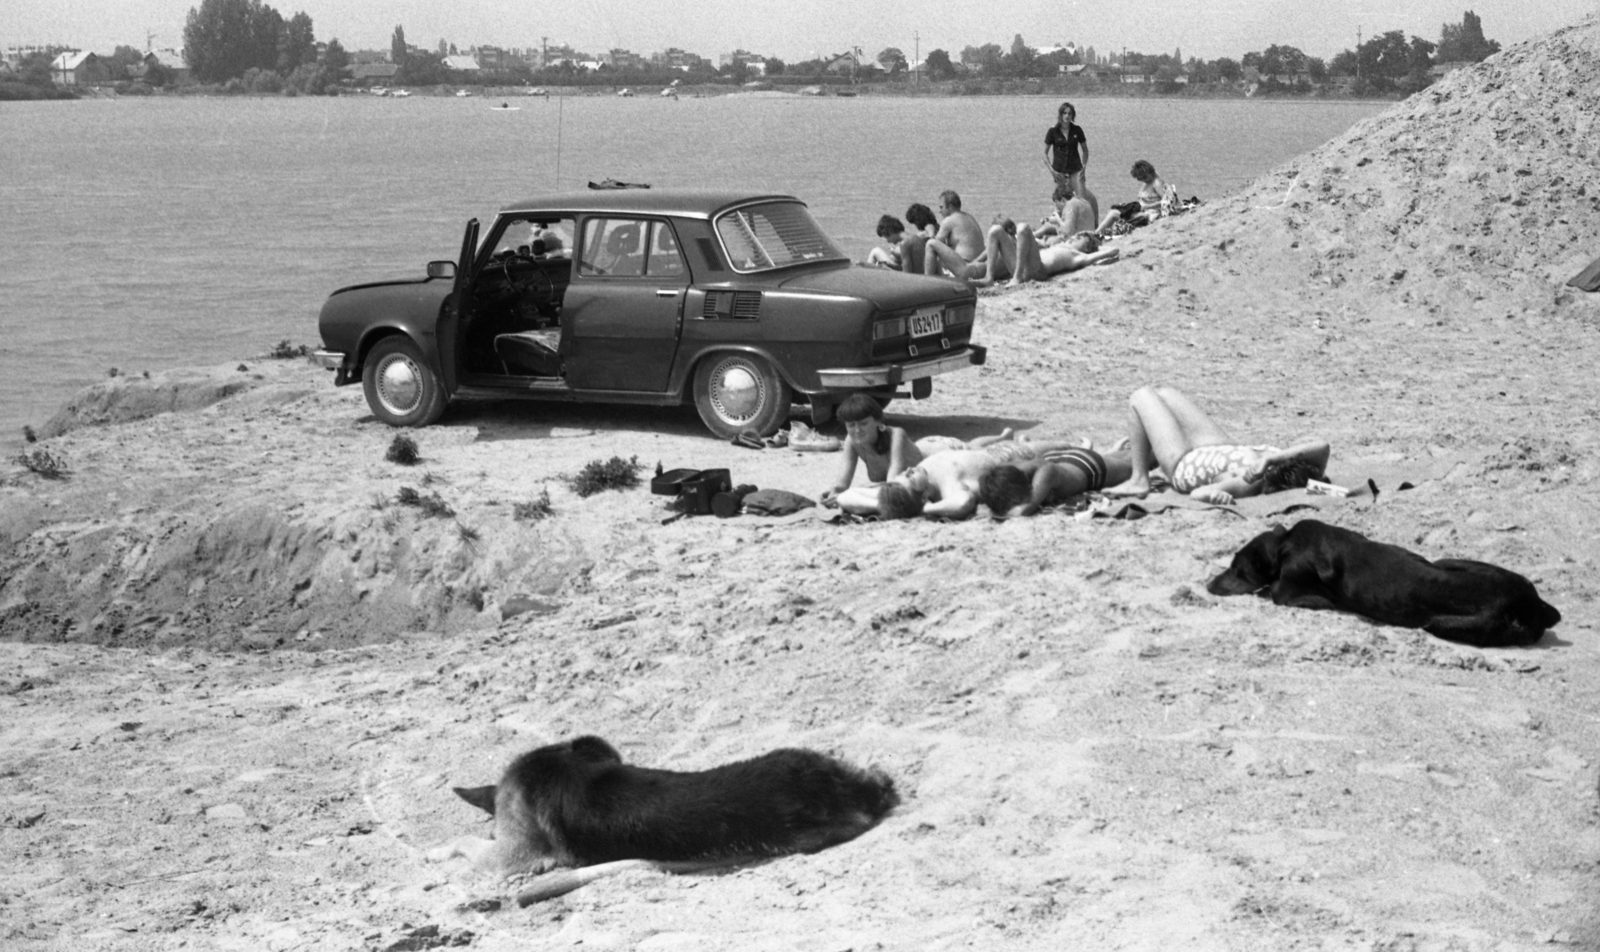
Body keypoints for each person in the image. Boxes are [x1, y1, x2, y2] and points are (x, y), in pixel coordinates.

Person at [1103, 385, 1331, 505]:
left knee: (1141, 396)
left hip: (1184, 465)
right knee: (1166, 394)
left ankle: (1139, 480)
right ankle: (1143, 465)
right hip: (1218, 447)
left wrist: (1213, 497)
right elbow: (1322, 446)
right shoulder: (1294, 468)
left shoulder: (1250, 482)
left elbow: (1200, 493)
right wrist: (1270, 459)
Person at [835, 437, 1095, 520]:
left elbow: (846, 496)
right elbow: (963, 503)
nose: (908, 471)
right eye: (909, 478)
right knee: (1062, 449)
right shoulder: (950, 489)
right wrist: (926, 509)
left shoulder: (905, 488)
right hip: (1006, 459)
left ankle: (1079, 445)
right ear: (924, 496)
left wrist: (880, 501)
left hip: (983, 451)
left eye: (906, 474)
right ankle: (1085, 447)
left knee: (1046, 445)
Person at [819, 394, 1012, 506]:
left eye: (863, 423)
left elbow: (893, 483)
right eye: (851, 425)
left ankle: (1003, 436)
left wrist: (846, 497)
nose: (857, 430)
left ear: (878, 422)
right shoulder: (852, 442)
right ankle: (1004, 437)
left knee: (970, 447)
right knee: (970, 447)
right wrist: (831, 494)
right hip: (925, 451)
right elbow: (841, 483)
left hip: (937, 450)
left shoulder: (897, 435)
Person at [977, 441, 1134, 517]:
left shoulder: (1046, 473)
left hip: (1088, 467)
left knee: (1135, 464)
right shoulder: (1010, 472)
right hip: (1065, 460)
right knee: (1123, 458)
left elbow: (1023, 511)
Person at [974, 224, 1119, 286]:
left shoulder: (1079, 256)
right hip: (1023, 267)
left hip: (1038, 271)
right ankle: (989, 278)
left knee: (1023, 228)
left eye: (1081, 239)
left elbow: (1114, 251)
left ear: (1087, 246)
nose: (1076, 239)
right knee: (995, 230)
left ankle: (1017, 278)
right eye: (1077, 237)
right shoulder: (1062, 245)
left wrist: (1098, 248)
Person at [1044, 102, 1098, 220]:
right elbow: (1044, 154)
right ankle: (1062, 225)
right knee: (1060, 201)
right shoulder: (1053, 131)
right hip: (1059, 171)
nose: (1067, 116)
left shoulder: (1077, 130)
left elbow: (1085, 150)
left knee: (1082, 201)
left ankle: (1084, 225)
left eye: (1070, 113)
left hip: (1076, 169)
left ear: (1072, 115)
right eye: (1065, 113)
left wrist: (1084, 167)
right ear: (1061, 115)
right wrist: (1052, 171)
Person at [922, 190, 988, 282]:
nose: (940, 211)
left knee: (931, 244)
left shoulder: (949, 220)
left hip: (967, 268)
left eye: (942, 207)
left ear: (950, 206)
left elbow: (936, 244)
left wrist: (929, 233)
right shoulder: (969, 217)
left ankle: (927, 282)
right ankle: (937, 278)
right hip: (981, 268)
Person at [1098, 160, 1178, 233]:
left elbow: (1166, 202)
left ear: (1150, 172)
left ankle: (1096, 234)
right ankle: (1099, 233)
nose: (1144, 180)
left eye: (1145, 177)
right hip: (1142, 212)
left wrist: (1147, 206)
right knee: (1116, 210)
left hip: (1150, 215)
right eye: (1140, 179)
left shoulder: (1157, 183)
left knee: (1114, 214)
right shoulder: (1147, 183)